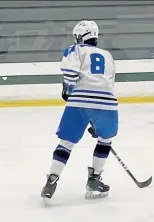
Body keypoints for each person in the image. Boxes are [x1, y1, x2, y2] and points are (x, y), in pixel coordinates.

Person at [41, 20, 118, 200]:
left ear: (79, 36)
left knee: (66, 142)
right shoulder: (108, 55)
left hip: (79, 101)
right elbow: (109, 83)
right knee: (105, 140)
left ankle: (52, 180)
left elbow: (70, 74)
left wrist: (68, 91)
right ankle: (95, 179)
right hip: (106, 103)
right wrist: (97, 120)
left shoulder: (75, 50)